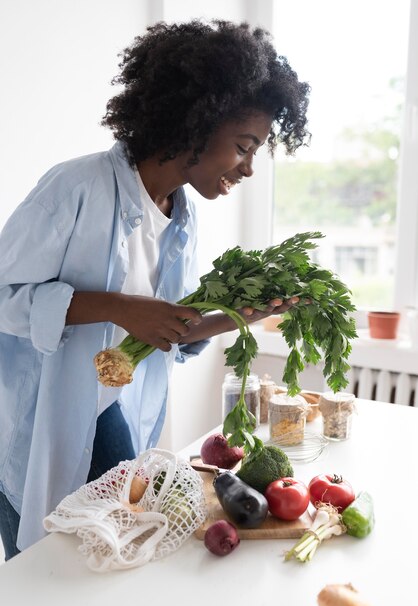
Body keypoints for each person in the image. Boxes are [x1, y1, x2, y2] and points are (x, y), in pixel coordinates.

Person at [0, 19, 310, 560]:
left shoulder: (180, 217)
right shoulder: (75, 188)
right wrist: (117, 308)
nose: (250, 168)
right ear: (197, 121)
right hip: (33, 416)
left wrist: (243, 313)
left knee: (114, 557)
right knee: (40, 576)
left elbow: (172, 327)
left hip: (108, 409)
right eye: (244, 146)